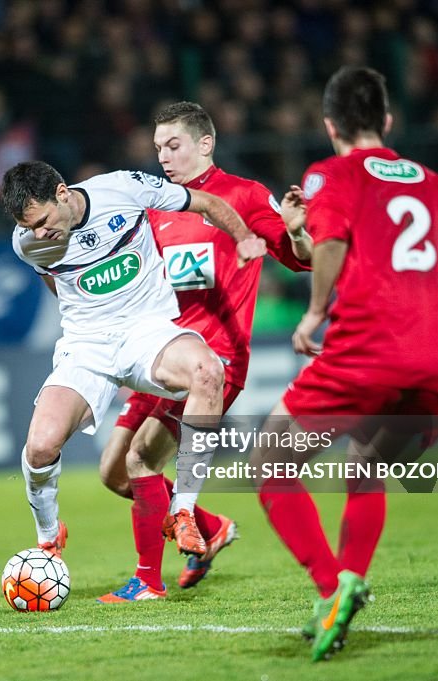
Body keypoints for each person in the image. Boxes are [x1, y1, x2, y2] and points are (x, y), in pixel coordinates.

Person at [248, 66, 438, 661]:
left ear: (330, 127)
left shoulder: (331, 174)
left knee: (270, 462)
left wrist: (314, 313)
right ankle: (348, 581)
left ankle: (330, 591)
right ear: (388, 121)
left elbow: (329, 245)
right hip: (436, 362)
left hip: (367, 351)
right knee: (367, 465)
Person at [96, 101, 312, 603]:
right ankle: (210, 529)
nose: (164, 157)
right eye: (157, 149)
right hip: (158, 357)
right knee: (113, 474)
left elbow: (301, 261)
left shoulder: (245, 196)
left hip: (212, 362)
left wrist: (298, 230)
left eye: (173, 146)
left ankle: (147, 580)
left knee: (141, 460)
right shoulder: (153, 207)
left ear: (205, 144)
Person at [3, 160, 267, 559]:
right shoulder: (26, 243)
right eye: (30, 227)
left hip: (148, 330)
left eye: (41, 221)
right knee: (40, 448)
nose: (39, 233)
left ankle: (184, 512)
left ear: (62, 192)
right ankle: (49, 535)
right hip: (87, 345)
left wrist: (244, 236)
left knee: (208, 372)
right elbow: (57, 283)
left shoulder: (122, 189)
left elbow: (207, 203)